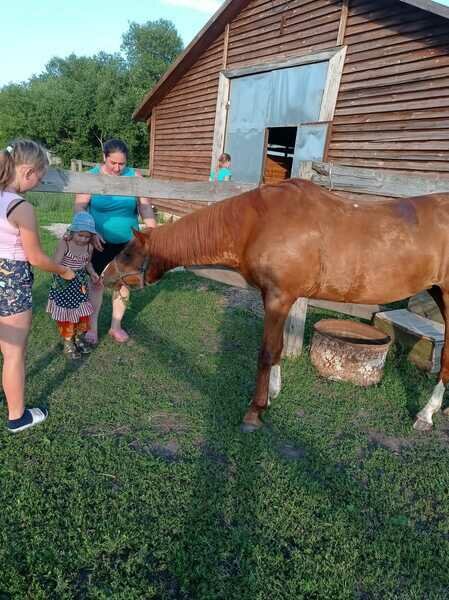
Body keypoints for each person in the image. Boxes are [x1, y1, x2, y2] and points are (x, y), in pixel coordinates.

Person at [0, 139, 75, 433]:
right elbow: (36, 258)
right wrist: (64, 270)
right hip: (12, 282)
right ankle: (17, 416)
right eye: (40, 176)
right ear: (27, 172)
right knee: (13, 353)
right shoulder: (22, 208)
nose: (40, 182)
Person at [74, 139, 156, 344]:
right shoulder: (91, 177)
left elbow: (145, 206)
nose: (118, 168)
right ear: (104, 157)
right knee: (96, 283)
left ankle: (115, 326)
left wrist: (153, 231)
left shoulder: (134, 177)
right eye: (113, 163)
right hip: (99, 240)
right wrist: (91, 232)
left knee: (124, 283)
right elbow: (79, 208)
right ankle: (92, 328)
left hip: (128, 242)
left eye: (122, 164)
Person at [47, 212, 99, 360]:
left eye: (87, 237)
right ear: (73, 231)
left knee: (82, 313)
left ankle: (78, 337)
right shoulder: (65, 244)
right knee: (66, 314)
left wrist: (93, 273)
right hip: (64, 285)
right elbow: (54, 264)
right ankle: (68, 341)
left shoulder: (89, 247)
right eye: (80, 235)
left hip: (80, 285)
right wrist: (65, 272)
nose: (83, 239)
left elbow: (87, 263)